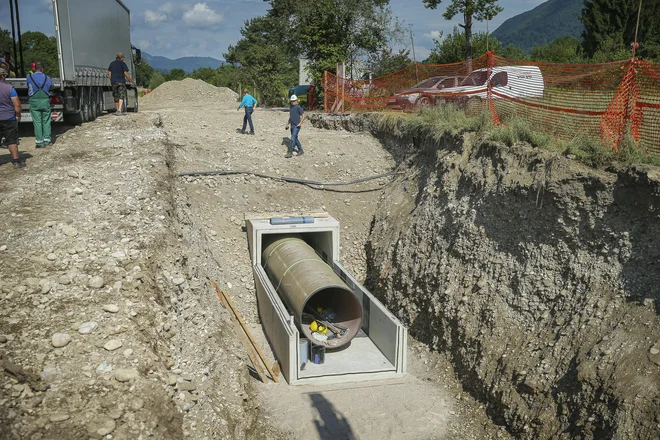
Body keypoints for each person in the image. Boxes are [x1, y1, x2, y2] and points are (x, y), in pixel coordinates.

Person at [0, 67, 24, 168]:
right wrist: (18, 114)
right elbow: (17, 105)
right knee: (11, 140)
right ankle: (16, 161)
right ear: (3, 76)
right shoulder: (10, 88)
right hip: (9, 118)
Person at [27, 62, 54, 148]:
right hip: (45, 101)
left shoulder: (29, 77)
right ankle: (47, 140)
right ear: (42, 69)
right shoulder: (47, 77)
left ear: (34, 69)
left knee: (37, 122)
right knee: (46, 121)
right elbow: (52, 86)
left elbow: (28, 85)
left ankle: (39, 142)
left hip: (34, 101)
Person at [284, 94, 305, 158]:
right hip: (292, 125)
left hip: (297, 126)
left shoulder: (298, 107)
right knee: (295, 138)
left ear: (296, 101)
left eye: (294, 101)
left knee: (293, 138)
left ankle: (290, 152)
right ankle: (301, 150)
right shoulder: (291, 108)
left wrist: (300, 123)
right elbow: (291, 117)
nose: (293, 102)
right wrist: (287, 124)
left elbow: (303, 115)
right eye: (292, 101)